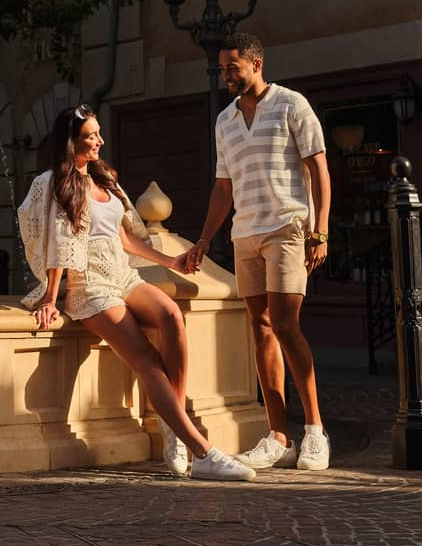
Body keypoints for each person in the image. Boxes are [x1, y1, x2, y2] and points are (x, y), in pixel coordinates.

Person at [20, 104, 255, 482]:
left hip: (122, 276)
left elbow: (125, 236)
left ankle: (171, 425)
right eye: (90, 135)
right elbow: (57, 244)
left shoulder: (104, 179)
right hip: (90, 286)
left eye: (98, 133)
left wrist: (170, 262)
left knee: (172, 318)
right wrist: (51, 298)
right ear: (70, 142)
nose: (98, 140)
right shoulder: (54, 183)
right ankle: (203, 452)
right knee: (147, 358)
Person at [183, 32, 333, 472]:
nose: (226, 75)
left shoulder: (291, 105)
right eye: (223, 68)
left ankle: (315, 432)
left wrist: (320, 230)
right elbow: (222, 188)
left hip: (287, 228)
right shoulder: (225, 120)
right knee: (261, 328)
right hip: (244, 234)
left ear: (256, 63)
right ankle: (278, 436)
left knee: (286, 325)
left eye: (233, 67)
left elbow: (319, 170)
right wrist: (205, 239)